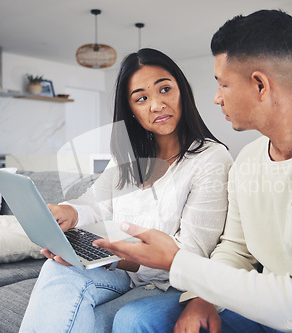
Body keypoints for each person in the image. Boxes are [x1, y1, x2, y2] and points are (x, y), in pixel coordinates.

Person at [95, 10, 292, 333]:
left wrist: (177, 262)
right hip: (277, 306)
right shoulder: (249, 160)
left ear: (260, 85)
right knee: (138, 319)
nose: (217, 98)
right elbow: (236, 248)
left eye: (223, 84)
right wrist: (203, 298)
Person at [19, 48, 233, 332]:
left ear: (182, 92)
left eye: (165, 89)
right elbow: (98, 204)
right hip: (124, 273)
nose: (156, 105)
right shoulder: (128, 157)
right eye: (141, 98)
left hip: (169, 286)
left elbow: (190, 255)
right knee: (58, 269)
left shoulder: (211, 159)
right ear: (131, 110)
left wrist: (116, 257)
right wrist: (69, 212)